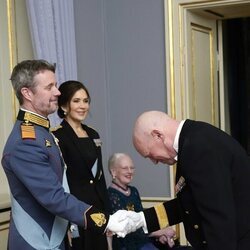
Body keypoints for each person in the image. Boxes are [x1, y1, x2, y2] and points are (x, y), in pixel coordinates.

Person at [1, 59, 139, 250]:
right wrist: (104, 221)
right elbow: (54, 197)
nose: (57, 92)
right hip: (37, 241)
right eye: (49, 87)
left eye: (56, 85)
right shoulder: (27, 141)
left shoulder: (41, 132)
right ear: (27, 93)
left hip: (55, 236)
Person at [129, 110, 250, 250]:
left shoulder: (198, 148)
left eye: (150, 154)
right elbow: (191, 203)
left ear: (158, 135)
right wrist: (141, 219)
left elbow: (218, 222)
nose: (154, 161)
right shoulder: (193, 139)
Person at [52, 80, 110, 249]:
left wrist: (108, 213)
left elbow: (100, 178)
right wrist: (66, 223)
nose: (83, 106)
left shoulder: (93, 134)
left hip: (97, 211)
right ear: (64, 105)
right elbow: (58, 183)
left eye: (85, 101)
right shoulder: (57, 136)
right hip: (76, 211)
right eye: (76, 101)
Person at [107, 153, 176, 250]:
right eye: (125, 168)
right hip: (126, 245)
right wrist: (160, 232)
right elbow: (127, 229)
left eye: (132, 168)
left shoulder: (134, 191)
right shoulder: (111, 196)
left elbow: (143, 221)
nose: (130, 171)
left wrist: (160, 235)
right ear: (113, 172)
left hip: (143, 242)